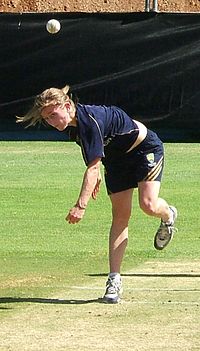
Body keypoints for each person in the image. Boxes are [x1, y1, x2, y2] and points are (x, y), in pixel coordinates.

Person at [16, 85, 178, 304]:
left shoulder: (89, 120)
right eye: (47, 119)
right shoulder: (72, 127)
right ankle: (114, 281)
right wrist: (98, 170)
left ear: (67, 105)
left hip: (144, 150)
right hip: (116, 160)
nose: (52, 122)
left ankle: (168, 215)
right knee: (120, 217)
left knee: (148, 205)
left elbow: (92, 167)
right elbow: (93, 156)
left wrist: (80, 205)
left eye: (54, 115)